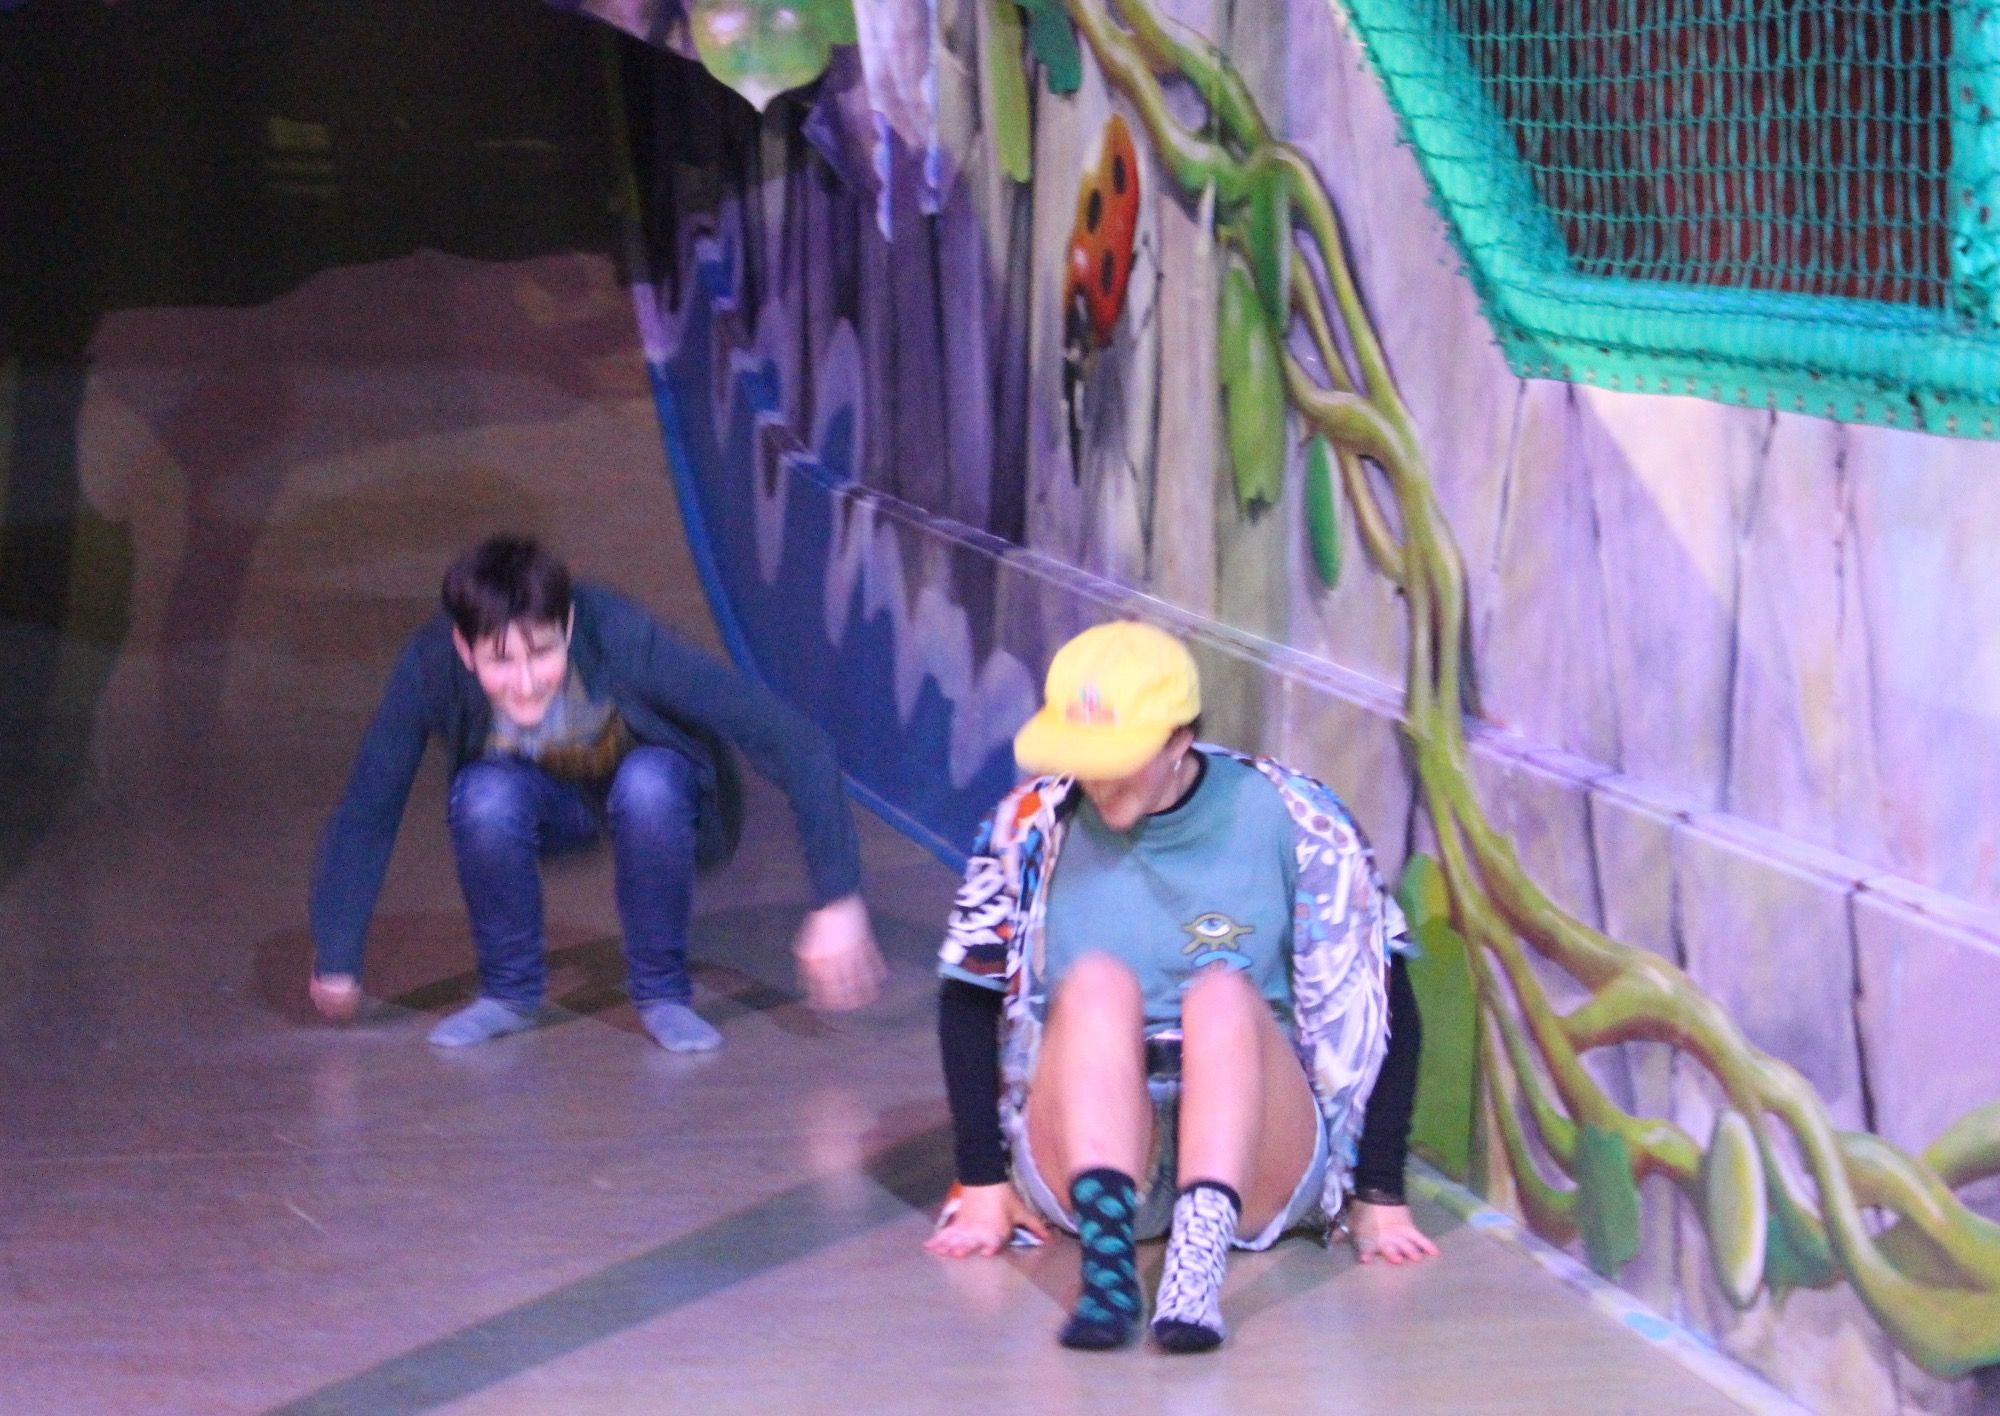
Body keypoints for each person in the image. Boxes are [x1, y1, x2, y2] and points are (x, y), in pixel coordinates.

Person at [925, 621, 1435, 1352]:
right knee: (1096, 983)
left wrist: (1380, 1191)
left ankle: (1195, 1272)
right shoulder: (1028, 827)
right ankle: (1108, 1274)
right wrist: (981, 1181)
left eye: (1117, 759)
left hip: (1255, 1143)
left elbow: (1387, 1001)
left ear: (1179, 741)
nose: (1097, 779)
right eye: (1082, 757)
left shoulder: (1296, 817)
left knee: (1220, 994)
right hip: (1091, 1136)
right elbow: (967, 999)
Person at [307, 535, 884, 1049]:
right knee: (482, 796)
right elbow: (369, 809)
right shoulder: (430, 665)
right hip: (551, 807)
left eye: (542, 653)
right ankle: (507, 993)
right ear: (464, 649)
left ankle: (662, 994)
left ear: (568, 627)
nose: (525, 684)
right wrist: (337, 954)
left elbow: (794, 740)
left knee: (648, 783)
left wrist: (838, 897)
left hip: (651, 794)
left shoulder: (620, 636)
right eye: (500, 662)